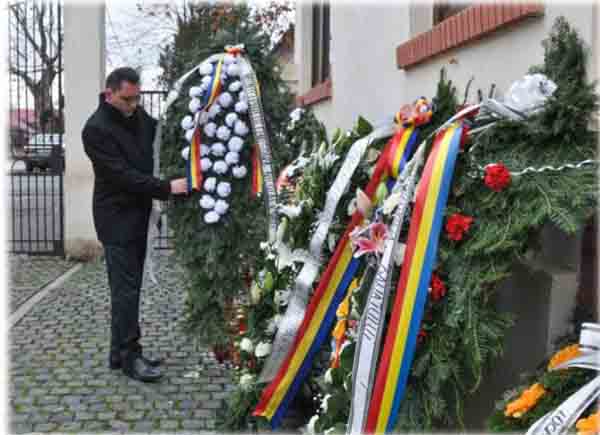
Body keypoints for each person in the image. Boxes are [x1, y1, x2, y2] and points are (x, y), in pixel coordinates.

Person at [82, 67, 188, 382]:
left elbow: (165, 134)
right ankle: (131, 357)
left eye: (137, 98)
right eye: (127, 99)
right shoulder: (95, 129)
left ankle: (118, 354)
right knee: (125, 292)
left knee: (128, 289)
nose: (133, 105)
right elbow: (123, 176)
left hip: (139, 216)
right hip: (116, 219)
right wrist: (167, 188)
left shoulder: (137, 116)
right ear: (109, 93)